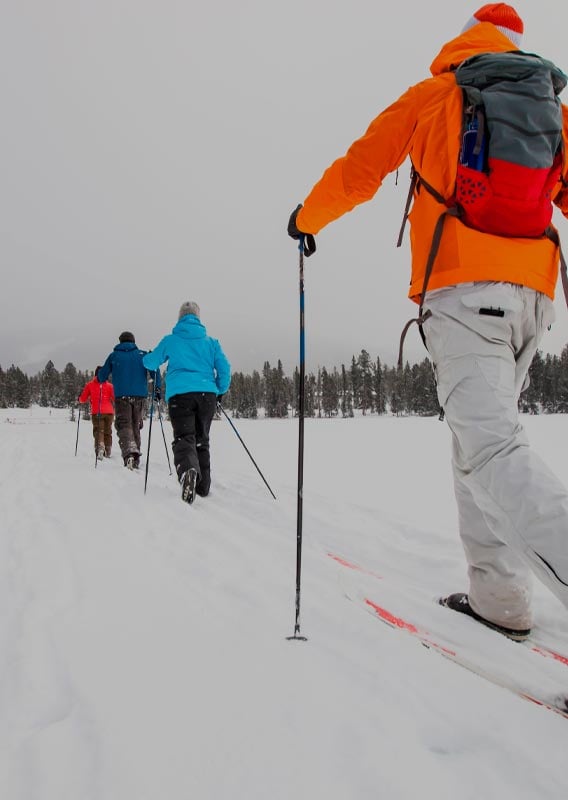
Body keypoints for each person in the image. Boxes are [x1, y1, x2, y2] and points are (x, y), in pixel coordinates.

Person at [287, 4, 568, 641]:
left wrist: (307, 219)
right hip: (535, 295)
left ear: (463, 41)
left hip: (465, 291)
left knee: (492, 445)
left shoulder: (436, 93)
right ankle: (499, 598)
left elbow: (361, 171)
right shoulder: (550, 108)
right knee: (477, 444)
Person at [143, 302, 231, 504]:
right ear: (198, 318)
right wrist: (219, 390)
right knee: (202, 439)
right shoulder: (211, 342)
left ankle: (188, 472)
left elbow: (150, 362)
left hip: (180, 395)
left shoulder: (171, 340)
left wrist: (147, 357)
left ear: (180, 318)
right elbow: (225, 369)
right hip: (206, 395)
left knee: (184, 438)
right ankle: (202, 485)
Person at [97, 331, 156, 469]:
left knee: (124, 425)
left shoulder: (114, 356)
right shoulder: (142, 355)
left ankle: (130, 452)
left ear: (120, 341)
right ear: (133, 341)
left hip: (122, 396)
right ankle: (135, 458)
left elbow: (102, 376)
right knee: (135, 425)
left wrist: (100, 375)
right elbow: (154, 370)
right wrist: (157, 387)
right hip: (140, 397)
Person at [78, 366, 115, 459]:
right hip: (109, 412)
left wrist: (79, 398)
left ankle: (100, 447)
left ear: (95, 374)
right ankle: (108, 449)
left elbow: (82, 399)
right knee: (108, 431)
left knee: (99, 430)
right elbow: (115, 398)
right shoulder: (110, 386)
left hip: (97, 412)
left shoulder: (90, 385)